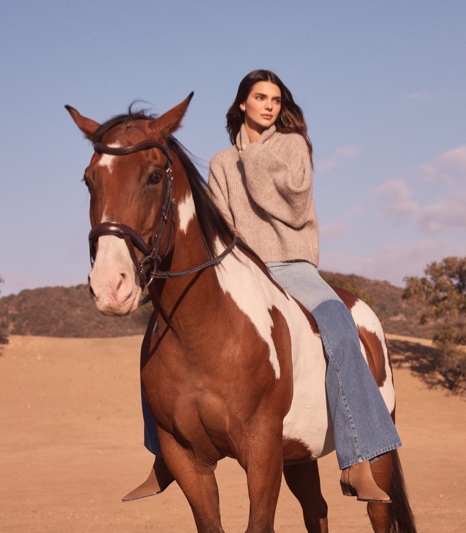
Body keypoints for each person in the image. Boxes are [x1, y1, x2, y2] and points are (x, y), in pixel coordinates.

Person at [125, 69, 401, 503]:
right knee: (157, 335)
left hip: (291, 265)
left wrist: (251, 156)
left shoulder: (292, 148)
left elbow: (293, 203)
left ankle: (358, 457)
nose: (269, 105)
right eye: (260, 97)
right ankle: (163, 455)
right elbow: (217, 224)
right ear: (242, 105)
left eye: (275, 99)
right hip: (241, 271)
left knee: (337, 322)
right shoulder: (219, 162)